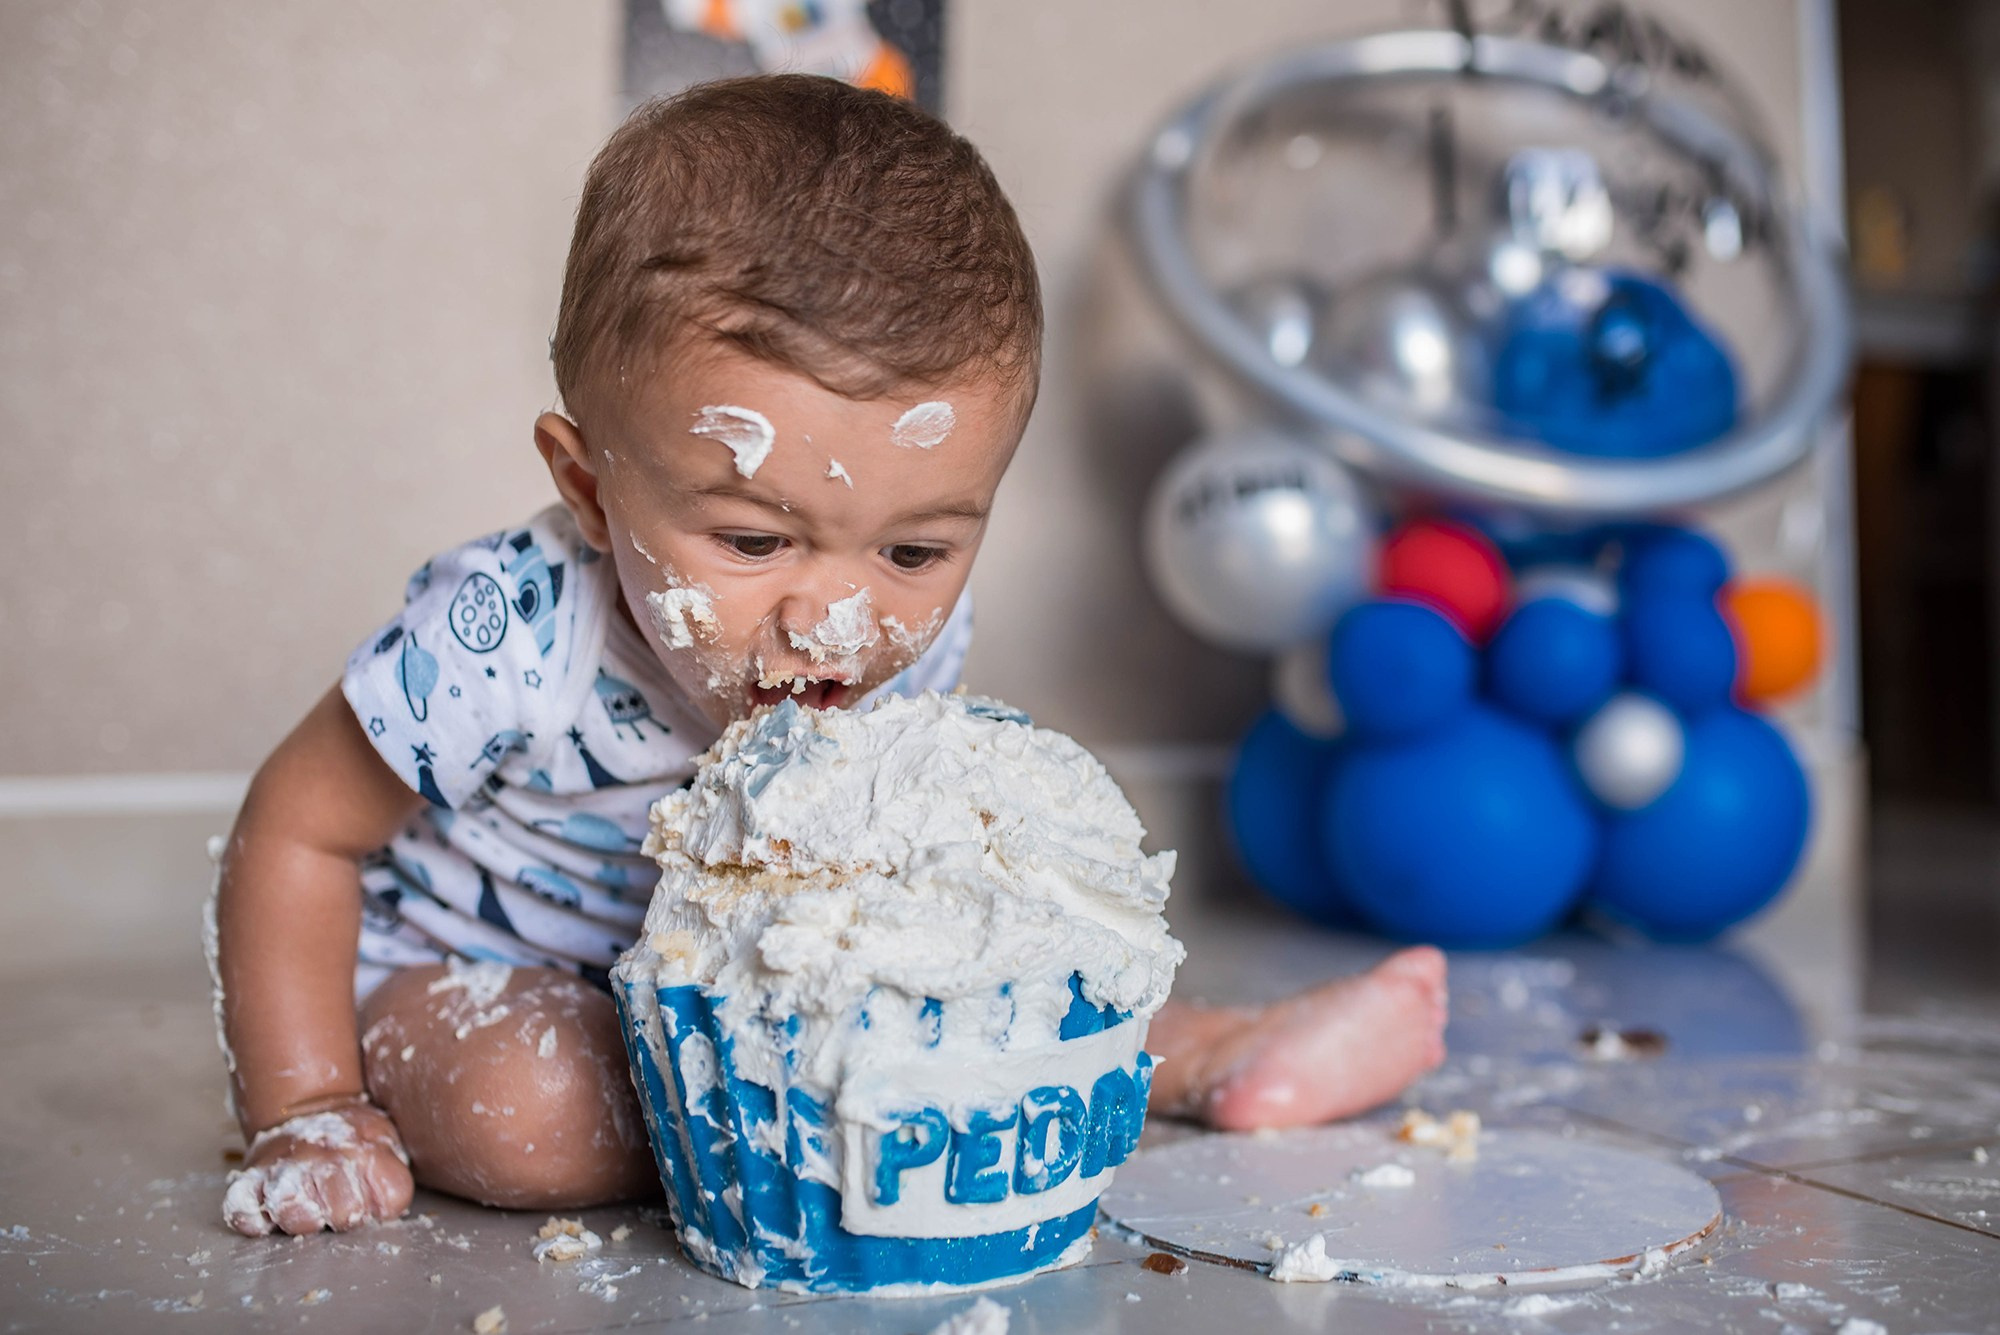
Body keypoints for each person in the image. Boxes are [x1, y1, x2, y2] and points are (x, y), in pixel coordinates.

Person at [212, 74, 1448, 1238]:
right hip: (482, 973)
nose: (839, 625)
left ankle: (1200, 1051)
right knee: (538, 1116)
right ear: (590, 490)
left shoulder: (897, 631)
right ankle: (831, 1109)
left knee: (975, 971)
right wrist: (304, 1104)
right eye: (754, 539)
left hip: (757, 972)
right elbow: (296, 829)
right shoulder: (512, 633)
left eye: (914, 553)